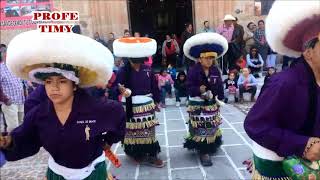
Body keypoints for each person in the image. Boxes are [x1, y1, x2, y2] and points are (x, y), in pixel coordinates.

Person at [0, 30, 125, 179]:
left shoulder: (97, 109)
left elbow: (118, 116)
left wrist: (107, 141)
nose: (54, 87)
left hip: (93, 174)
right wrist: (9, 142)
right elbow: (27, 138)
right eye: (48, 82)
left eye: (62, 81)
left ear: (74, 85)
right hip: (57, 175)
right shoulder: (38, 114)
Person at [244, 1, 320, 179]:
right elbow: (254, 125)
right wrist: (303, 145)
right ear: (308, 52)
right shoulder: (283, 83)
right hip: (281, 169)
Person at [112, 37, 164, 167]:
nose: (137, 61)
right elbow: (115, 88)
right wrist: (120, 90)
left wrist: (157, 101)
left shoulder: (148, 69)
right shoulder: (123, 71)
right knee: (132, 131)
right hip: (129, 105)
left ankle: (152, 154)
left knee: (148, 130)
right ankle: (135, 152)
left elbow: (154, 86)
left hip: (146, 106)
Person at [183, 32, 227, 166]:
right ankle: (203, 151)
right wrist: (198, 90)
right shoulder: (193, 71)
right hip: (198, 104)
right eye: (207, 58)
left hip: (212, 104)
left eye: (212, 58)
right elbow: (189, 88)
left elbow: (219, 86)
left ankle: (211, 143)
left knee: (212, 125)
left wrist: (220, 99)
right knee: (201, 127)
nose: (209, 60)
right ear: (200, 59)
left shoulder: (215, 70)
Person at [0, 44, 25, 132]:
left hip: (21, 100)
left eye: (6, 51)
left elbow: (21, 81)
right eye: (2, 52)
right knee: (13, 127)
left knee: (22, 124)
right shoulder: (1, 68)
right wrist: (5, 99)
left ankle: (20, 144)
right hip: (10, 102)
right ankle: (13, 145)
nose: (5, 53)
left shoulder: (14, 66)